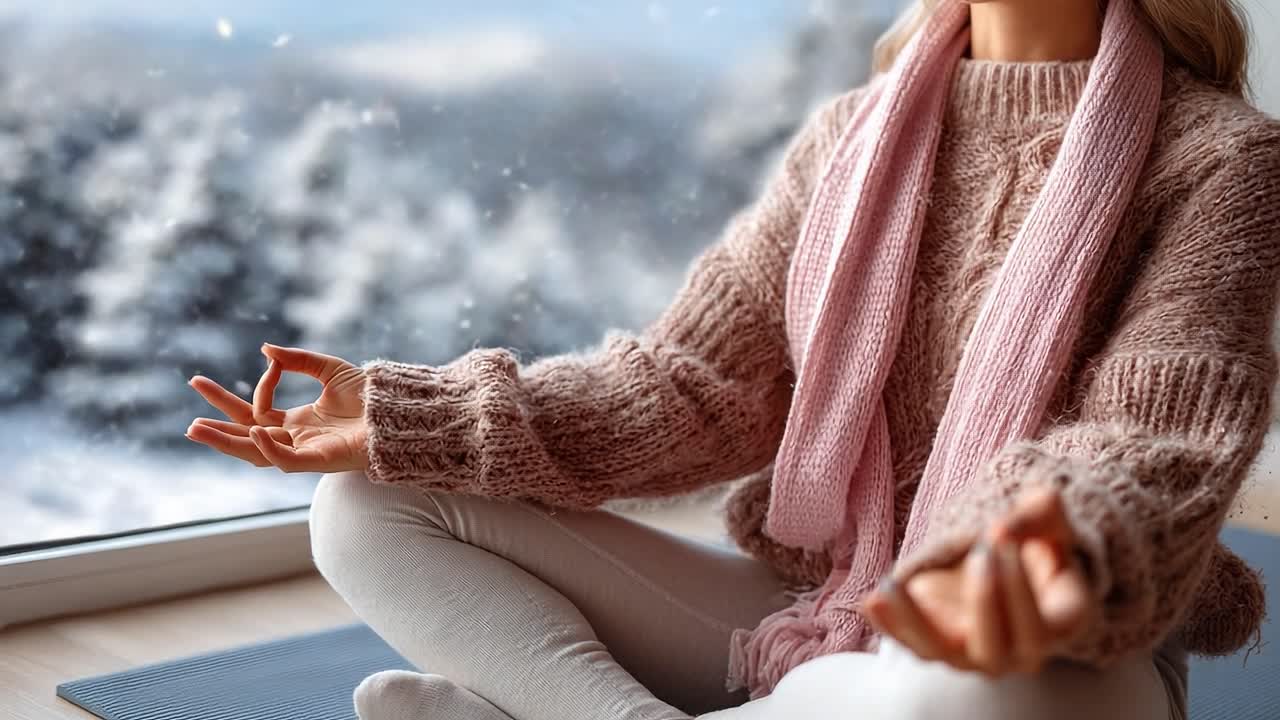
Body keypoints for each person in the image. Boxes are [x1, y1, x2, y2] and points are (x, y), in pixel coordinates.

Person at [186, 0, 1280, 718]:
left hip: (1048, 637)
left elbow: (1155, 431)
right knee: (365, 506)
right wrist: (412, 420)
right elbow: (690, 388)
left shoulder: (1224, 158)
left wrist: (1043, 548)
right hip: (818, 601)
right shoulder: (851, 137)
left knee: (970, 694)